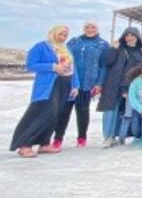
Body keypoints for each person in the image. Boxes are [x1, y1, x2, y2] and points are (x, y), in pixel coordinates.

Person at [10, 25, 79, 158]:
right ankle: (25, 144)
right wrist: (52, 67)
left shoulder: (66, 49)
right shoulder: (42, 46)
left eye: (65, 34)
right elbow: (30, 65)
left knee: (55, 114)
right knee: (41, 113)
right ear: (52, 33)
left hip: (64, 84)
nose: (63, 37)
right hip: (47, 86)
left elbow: (73, 68)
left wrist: (75, 85)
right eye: (60, 34)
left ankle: (44, 143)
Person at [52, 21, 108, 149]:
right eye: (87, 27)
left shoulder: (103, 44)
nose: (90, 29)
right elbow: (63, 57)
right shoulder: (74, 41)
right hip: (69, 81)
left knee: (83, 111)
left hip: (87, 83)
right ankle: (57, 138)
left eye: (93, 27)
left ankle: (82, 138)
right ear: (83, 28)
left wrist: (99, 83)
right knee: (63, 111)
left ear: (98, 29)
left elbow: (103, 66)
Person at [97, 27, 142, 148]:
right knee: (110, 110)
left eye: (133, 35)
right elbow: (106, 61)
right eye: (127, 35)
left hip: (130, 84)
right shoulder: (118, 48)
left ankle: (120, 135)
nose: (130, 37)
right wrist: (113, 49)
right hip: (113, 83)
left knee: (126, 112)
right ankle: (108, 136)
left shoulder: (140, 51)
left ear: (137, 37)